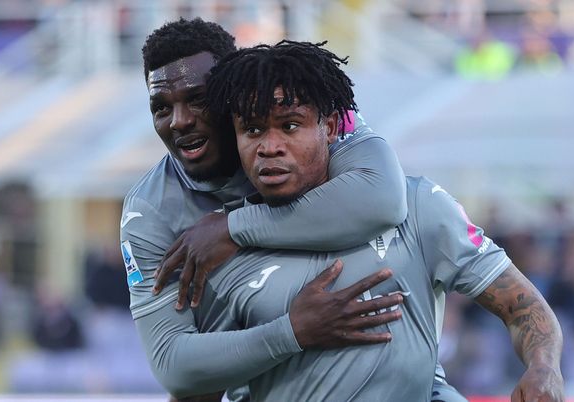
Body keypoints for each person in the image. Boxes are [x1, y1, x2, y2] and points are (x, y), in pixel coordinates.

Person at [145, 39, 564, 401]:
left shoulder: (419, 206)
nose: (270, 146)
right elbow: (196, 386)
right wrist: (291, 332)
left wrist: (544, 367)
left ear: (329, 127)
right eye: (252, 131)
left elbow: (522, 306)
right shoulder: (218, 248)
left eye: (289, 126)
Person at [122, 17, 416, 402]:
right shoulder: (149, 212)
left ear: (231, 94)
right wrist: (292, 331)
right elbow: (173, 365)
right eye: (161, 107)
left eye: (198, 99)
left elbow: (384, 199)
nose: (180, 121)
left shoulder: (315, 114)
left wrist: (234, 228)